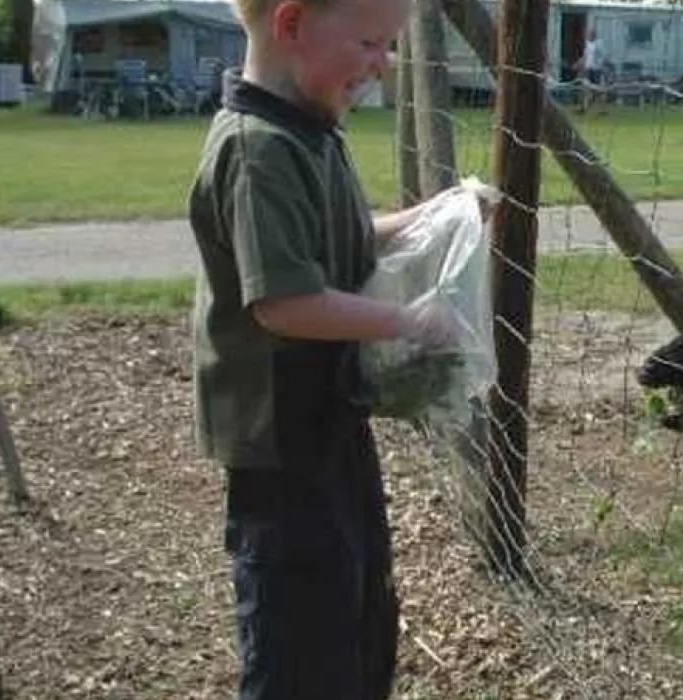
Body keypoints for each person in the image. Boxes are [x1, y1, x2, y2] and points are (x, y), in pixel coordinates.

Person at [185, 0, 482, 696]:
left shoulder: (309, 131)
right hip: (281, 444)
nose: (385, 63)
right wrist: (406, 320)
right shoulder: (258, 149)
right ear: (291, 25)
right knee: (299, 635)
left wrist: (442, 213)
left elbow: (342, 239)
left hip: (327, 423)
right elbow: (284, 303)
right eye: (373, 44)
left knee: (357, 602)